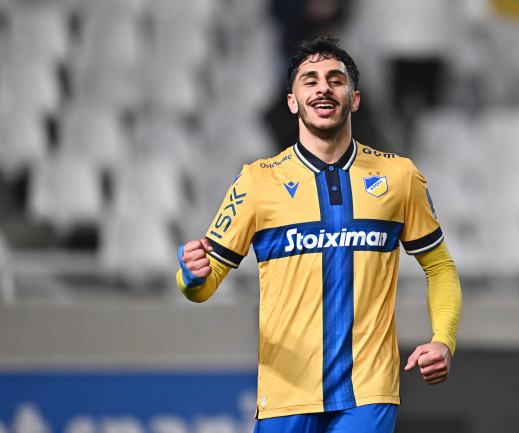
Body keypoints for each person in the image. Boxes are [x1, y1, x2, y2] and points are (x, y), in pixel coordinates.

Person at [176, 36, 462, 433]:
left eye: (335, 80)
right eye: (309, 81)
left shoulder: (399, 176)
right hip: (286, 395)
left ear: (354, 99)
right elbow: (203, 287)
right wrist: (192, 276)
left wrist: (443, 340)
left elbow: (440, 267)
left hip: (369, 392)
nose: (323, 88)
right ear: (293, 102)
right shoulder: (258, 182)